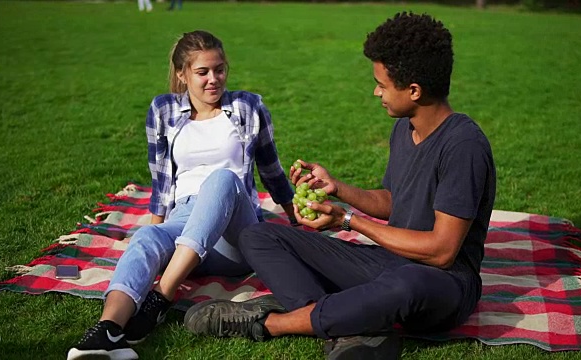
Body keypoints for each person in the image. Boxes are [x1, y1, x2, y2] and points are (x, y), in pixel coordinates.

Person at [183, 12, 497, 360]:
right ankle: (350, 322)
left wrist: (349, 221)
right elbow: (393, 201)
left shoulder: (463, 145)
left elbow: (442, 251)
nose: (376, 91)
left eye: (382, 83)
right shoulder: (405, 128)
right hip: (388, 262)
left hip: (443, 283)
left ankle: (273, 323)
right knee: (259, 236)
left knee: (408, 284)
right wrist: (338, 188)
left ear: (414, 90)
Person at [67, 30, 295, 360]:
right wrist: (155, 229)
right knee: (146, 235)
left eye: (219, 69)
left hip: (236, 235)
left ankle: (162, 295)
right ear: (182, 74)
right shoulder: (163, 110)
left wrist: (292, 214)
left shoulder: (248, 106)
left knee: (221, 179)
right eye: (202, 72)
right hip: (186, 224)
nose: (213, 79)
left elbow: (270, 167)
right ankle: (108, 332)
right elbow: (161, 181)